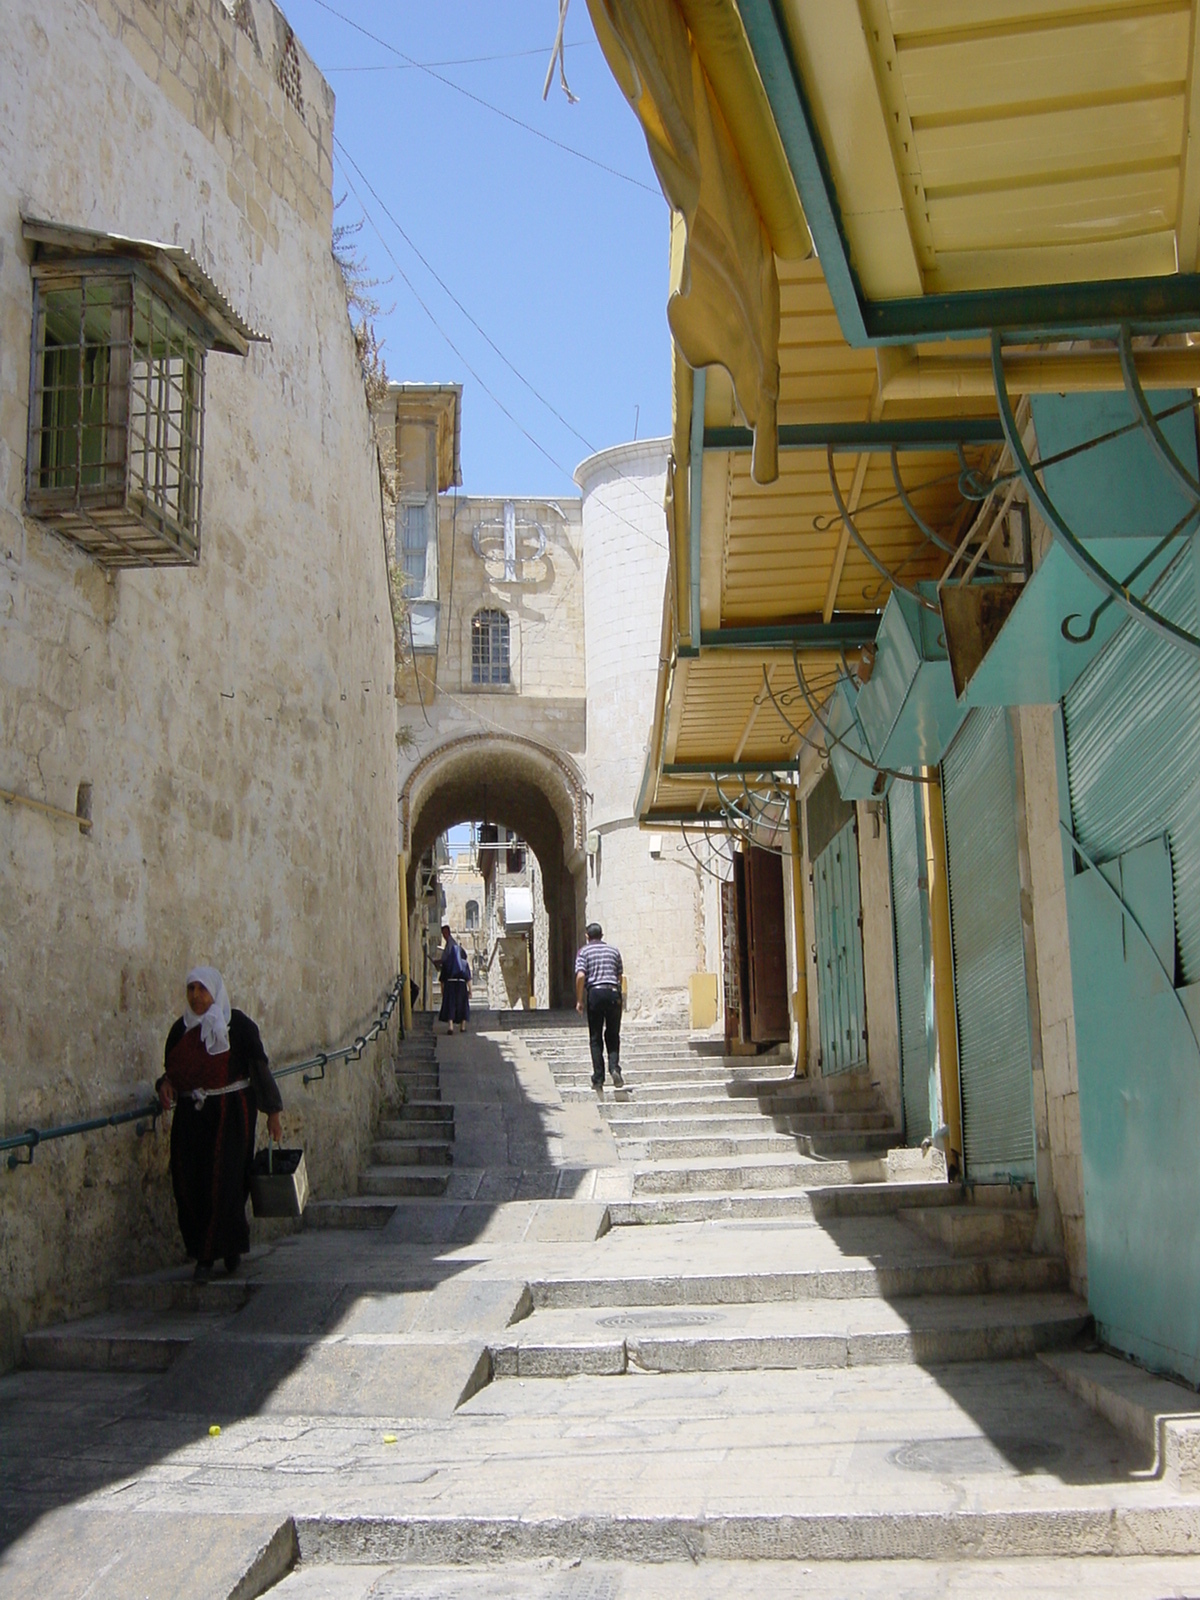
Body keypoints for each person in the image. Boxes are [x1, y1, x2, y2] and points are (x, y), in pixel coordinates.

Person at [156, 966, 282, 1282]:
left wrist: (273, 1113)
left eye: (202, 989)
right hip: (191, 1116)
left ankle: (209, 1256)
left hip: (231, 1113)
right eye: (191, 989)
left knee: (225, 1181)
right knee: (189, 1181)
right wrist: (164, 1084)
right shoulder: (180, 1031)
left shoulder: (237, 1026)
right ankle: (208, 1246)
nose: (196, 996)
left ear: (215, 991)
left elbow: (258, 1068)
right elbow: (173, 1072)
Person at [575, 922, 624, 1093]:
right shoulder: (614, 951)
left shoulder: (584, 952)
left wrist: (580, 999)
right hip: (613, 992)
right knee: (613, 1034)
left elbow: (581, 975)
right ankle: (615, 1069)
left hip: (595, 994)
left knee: (596, 1037)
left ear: (587, 936)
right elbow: (619, 976)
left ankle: (598, 1078)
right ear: (602, 935)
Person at [437, 922, 471, 1032]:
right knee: (462, 1004)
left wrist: (442, 991)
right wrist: (470, 991)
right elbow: (468, 978)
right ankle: (463, 1026)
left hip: (450, 983)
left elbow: (442, 979)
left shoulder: (448, 963)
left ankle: (451, 1026)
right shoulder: (464, 964)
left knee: (450, 1004)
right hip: (461, 984)